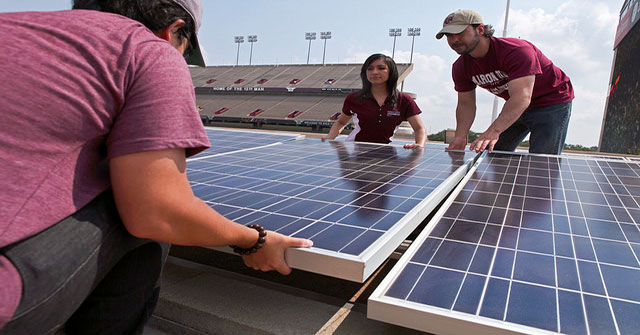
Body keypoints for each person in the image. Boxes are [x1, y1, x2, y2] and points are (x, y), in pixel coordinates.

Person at [0, 1, 311, 334]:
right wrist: (254, 241)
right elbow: (159, 212)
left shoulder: (15, 24)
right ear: (174, 30)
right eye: (184, 49)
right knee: (139, 208)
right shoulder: (144, 48)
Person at [436, 9, 574, 154]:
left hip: (551, 101)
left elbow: (522, 97)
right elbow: (466, 104)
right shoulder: (460, 67)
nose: (454, 40)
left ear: (480, 29)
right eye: (449, 36)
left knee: (541, 161)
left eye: (459, 33)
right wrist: (460, 136)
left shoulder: (516, 51)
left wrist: (494, 130)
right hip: (516, 104)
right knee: (494, 150)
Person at [322, 53, 427, 149]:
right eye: (370, 68)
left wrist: (419, 145)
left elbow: (419, 128)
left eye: (381, 68)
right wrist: (329, 137)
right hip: (355, 149)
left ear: (391, 72)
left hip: (385, 151)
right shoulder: (354, 98)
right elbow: (341, 122)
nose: (375, 72)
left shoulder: (404, 100)